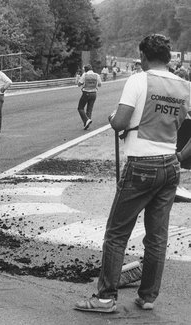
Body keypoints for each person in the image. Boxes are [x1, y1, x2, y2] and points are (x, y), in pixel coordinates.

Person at [74, 34, 191, 313]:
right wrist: (181, 156)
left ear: (143, 56)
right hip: (170, 166)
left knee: (116, 233)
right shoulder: (185, 86)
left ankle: (104, 299)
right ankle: (148, 296)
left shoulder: (139, 80)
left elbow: (122, 121)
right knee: (157, 237)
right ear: (169, 57)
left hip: (141, 166)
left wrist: (113, 119)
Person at [76, 64, 102, 130]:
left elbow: (79, 84)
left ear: (85, 70)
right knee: (89, 109)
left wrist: (78, 78)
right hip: (94, 93)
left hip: (86, 93)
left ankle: (86, 120)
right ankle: (87, 124)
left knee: (80, 108)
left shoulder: (85, 75)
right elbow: (99, 85)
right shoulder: (97, 75)